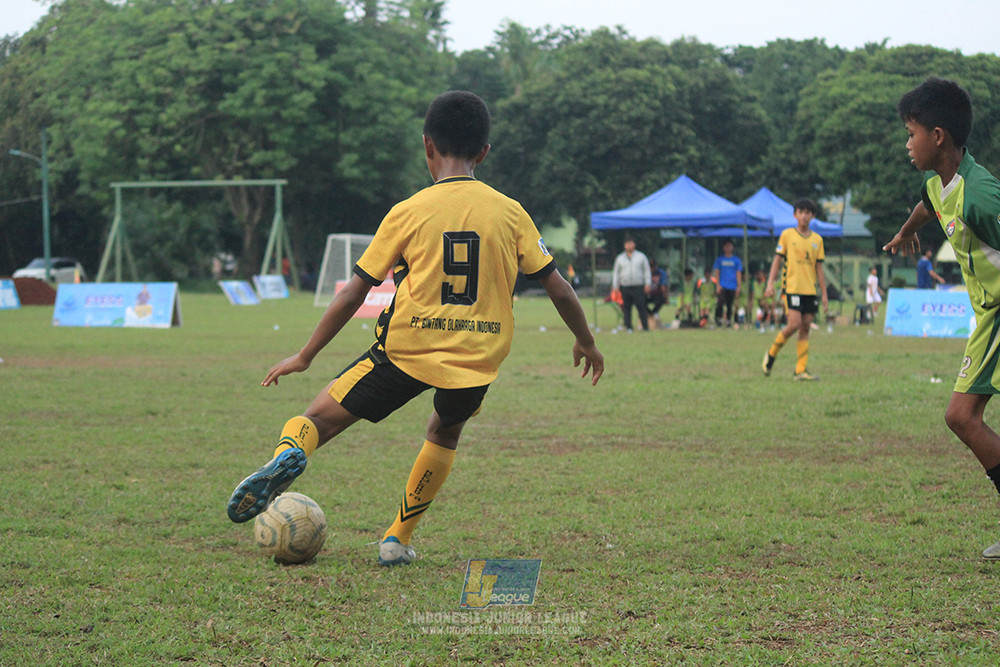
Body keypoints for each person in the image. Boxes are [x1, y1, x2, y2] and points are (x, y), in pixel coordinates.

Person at [225, 91, 605, 567]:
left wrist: (305, 355)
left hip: (406, 351)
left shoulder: (407, 211)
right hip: (475, 361)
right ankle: (396, 541)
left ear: (427, 146)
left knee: (318, 420)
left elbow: (353, 291)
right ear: (483, 153)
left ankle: (289, 452)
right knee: (444, 431)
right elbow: (559, 287)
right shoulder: (511, 212)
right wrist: (586, 340)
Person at [883, 77, 1000, 560]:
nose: (906, 143)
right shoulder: (939, 181)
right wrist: (905, 229)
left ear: (937, 136)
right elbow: (930, 205)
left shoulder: (982, 196)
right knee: (961, 416)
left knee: (961, 415)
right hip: (987, 321)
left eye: (911, 133)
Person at [761, 198, 828, 380]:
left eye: (808, 212)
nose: (804, 216)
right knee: (794, 324)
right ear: (795, 214)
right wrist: (769, 284)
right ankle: (772, 353)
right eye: (801, 212)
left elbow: (819, 268)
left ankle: (800, 370)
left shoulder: (817, 240)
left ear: (812, 216)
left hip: (810, 291)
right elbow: (777, 260)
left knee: (805, 327)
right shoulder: (787, 235)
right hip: (791, 289)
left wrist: (824, 294)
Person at [611, 236, 651, 331]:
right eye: (627, 243)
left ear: (634, 244)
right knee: (626, 307)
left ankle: (645, 327)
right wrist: (615, 286)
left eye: (631, 243)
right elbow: (616, 273)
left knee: (641, 306)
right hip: (625, 286)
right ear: (624, 245)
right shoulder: (620, 258)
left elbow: (646, 271)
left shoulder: (641, 257)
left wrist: (648, 283)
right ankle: (628, 326)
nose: (629, 245)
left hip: (638, 285)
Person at [712, 240, 743, 327]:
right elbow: (717, 272)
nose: (728, 248)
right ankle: (718, 319)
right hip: (722, 285)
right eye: (726, 246)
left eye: (730, 246)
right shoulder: (720, 260)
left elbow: (738, 273)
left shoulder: (736, 260)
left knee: (730, 304)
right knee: (720, 303)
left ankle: (729, 321)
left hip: (732, 285)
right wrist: (717, 285)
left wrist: (739, 286)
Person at [646, 261, 669, 327]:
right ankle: (650, 313)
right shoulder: (645, 273)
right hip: (647, 294)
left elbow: (663, 287)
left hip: (657, 294)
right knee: (640, 301)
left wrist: (666, 297)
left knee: (660, 300)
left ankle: (653, 313)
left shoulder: (661, 273)